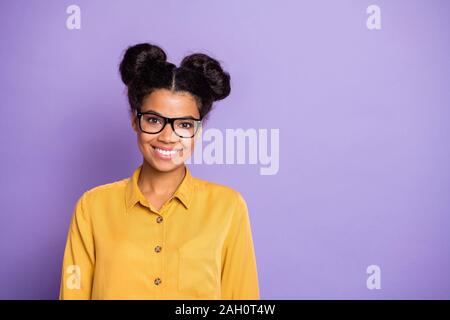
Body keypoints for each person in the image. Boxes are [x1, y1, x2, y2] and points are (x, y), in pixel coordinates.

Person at [59, 43, 260, 299]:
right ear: (135, 120)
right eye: (154, 120)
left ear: (198, 130)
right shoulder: (92, 207)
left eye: (184, 124)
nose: (167, 137)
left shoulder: (228, 207)